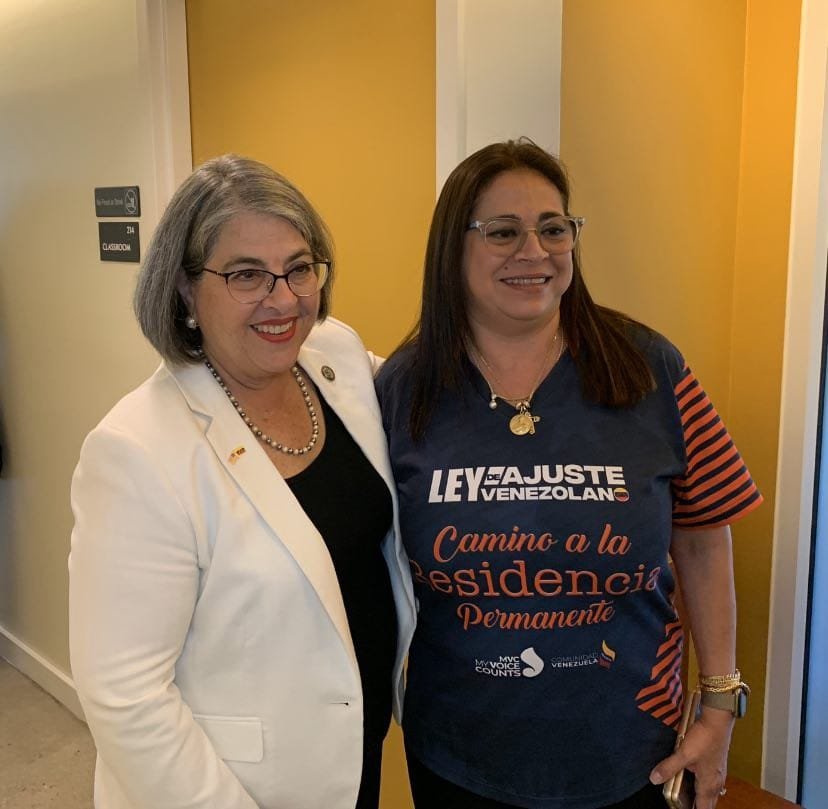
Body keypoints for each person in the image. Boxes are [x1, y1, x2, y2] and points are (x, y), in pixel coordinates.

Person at [376, 139, 761, 809]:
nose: (535, 251)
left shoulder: (649, 367)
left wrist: (720, 704)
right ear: (452, 248)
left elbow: (703, 536)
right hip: (459, 754)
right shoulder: (403, 390)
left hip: (632, 751)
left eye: (554, 229)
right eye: (503, 232)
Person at [69, 154, 415, 809]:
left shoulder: (336, 358)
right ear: (184, 289)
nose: (283, 299)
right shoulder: (136, 451)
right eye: (246, 274)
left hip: (352, 755)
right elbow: (125, 697)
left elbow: (438, 396)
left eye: (299, 267)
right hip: (239, 786)